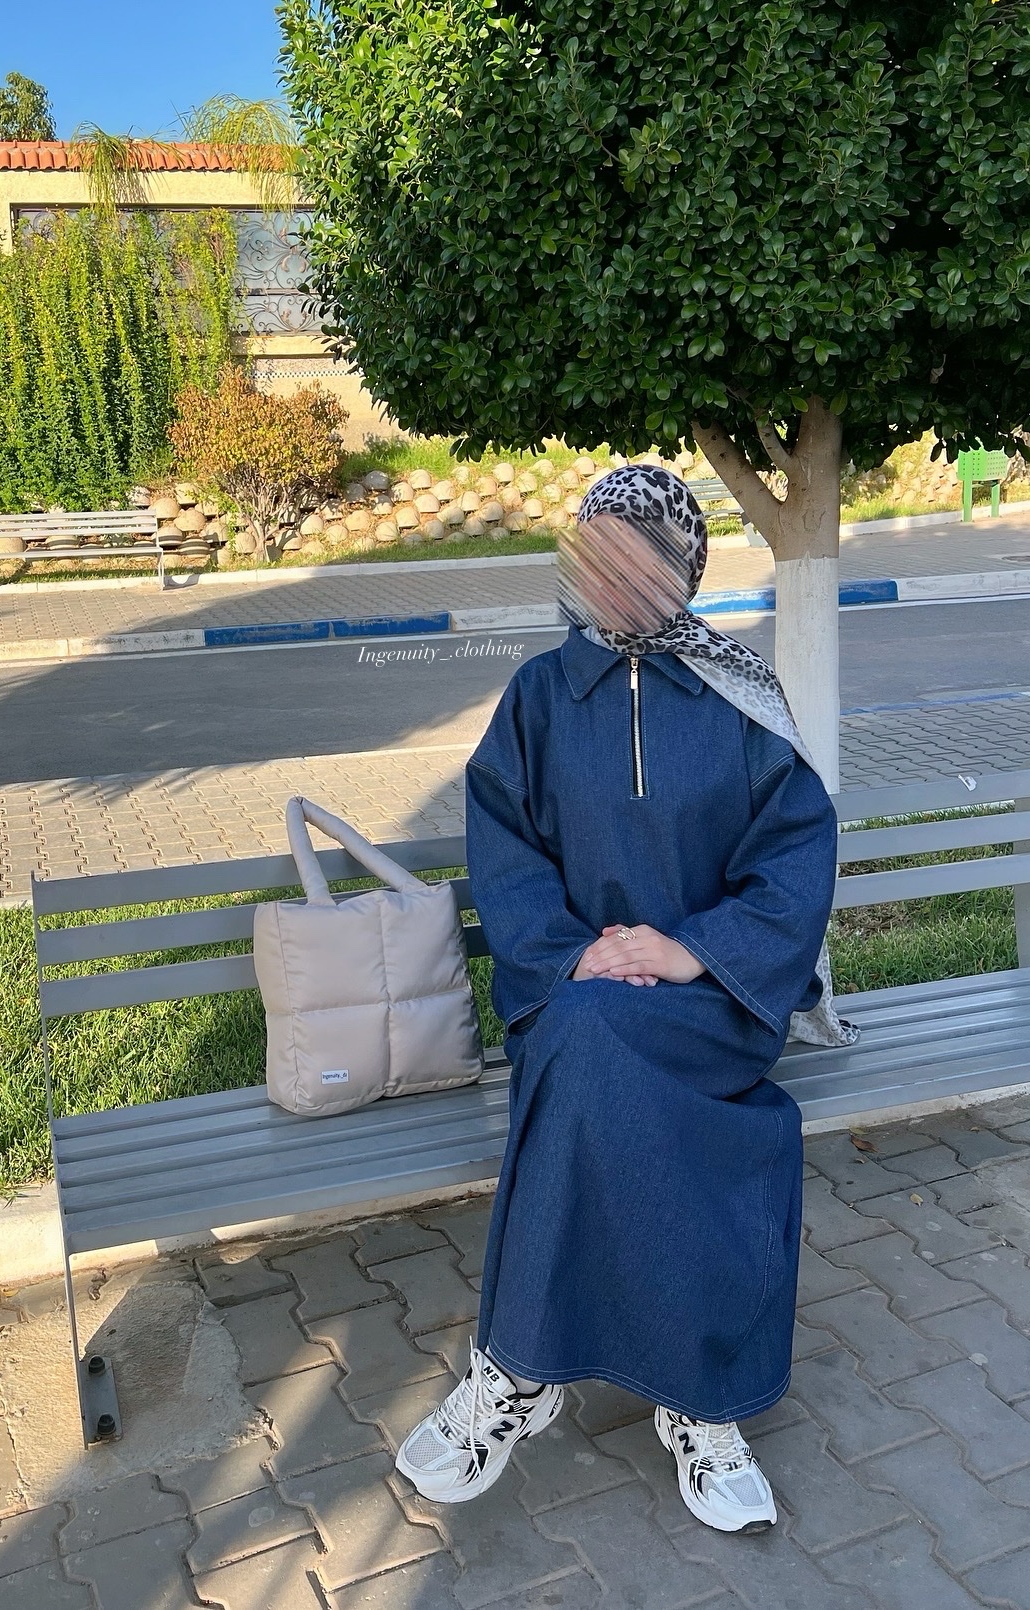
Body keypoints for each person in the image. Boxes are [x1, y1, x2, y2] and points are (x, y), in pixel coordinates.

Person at [395, 465, 843, 1533]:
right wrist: (574, 957)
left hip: (712, 1000)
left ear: (685, 569)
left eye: (637, 559)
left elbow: (793, 859)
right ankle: (699, 1395)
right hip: (575, 985)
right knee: (594, 1045)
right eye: (594, 556)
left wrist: (689, 952)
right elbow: (506, 852)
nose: (611, 579)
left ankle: (519, 1368)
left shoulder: (740, 697)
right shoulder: (539, 699)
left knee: (593, 1064)